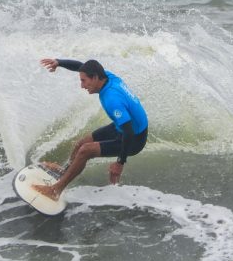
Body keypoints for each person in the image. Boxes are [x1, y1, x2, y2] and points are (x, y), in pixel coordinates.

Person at [33, 58, 148, 201]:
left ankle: (55, 190)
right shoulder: (106, 76)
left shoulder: (112, 98)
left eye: (83, 81)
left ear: (94, 78)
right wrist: (59, 62)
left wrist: (120, 163)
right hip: (124, 126)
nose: (82, 86)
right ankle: (65, 172)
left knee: (85, 150)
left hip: (134, 138)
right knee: (81, 143)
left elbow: (129, 132)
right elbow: (80, 66)